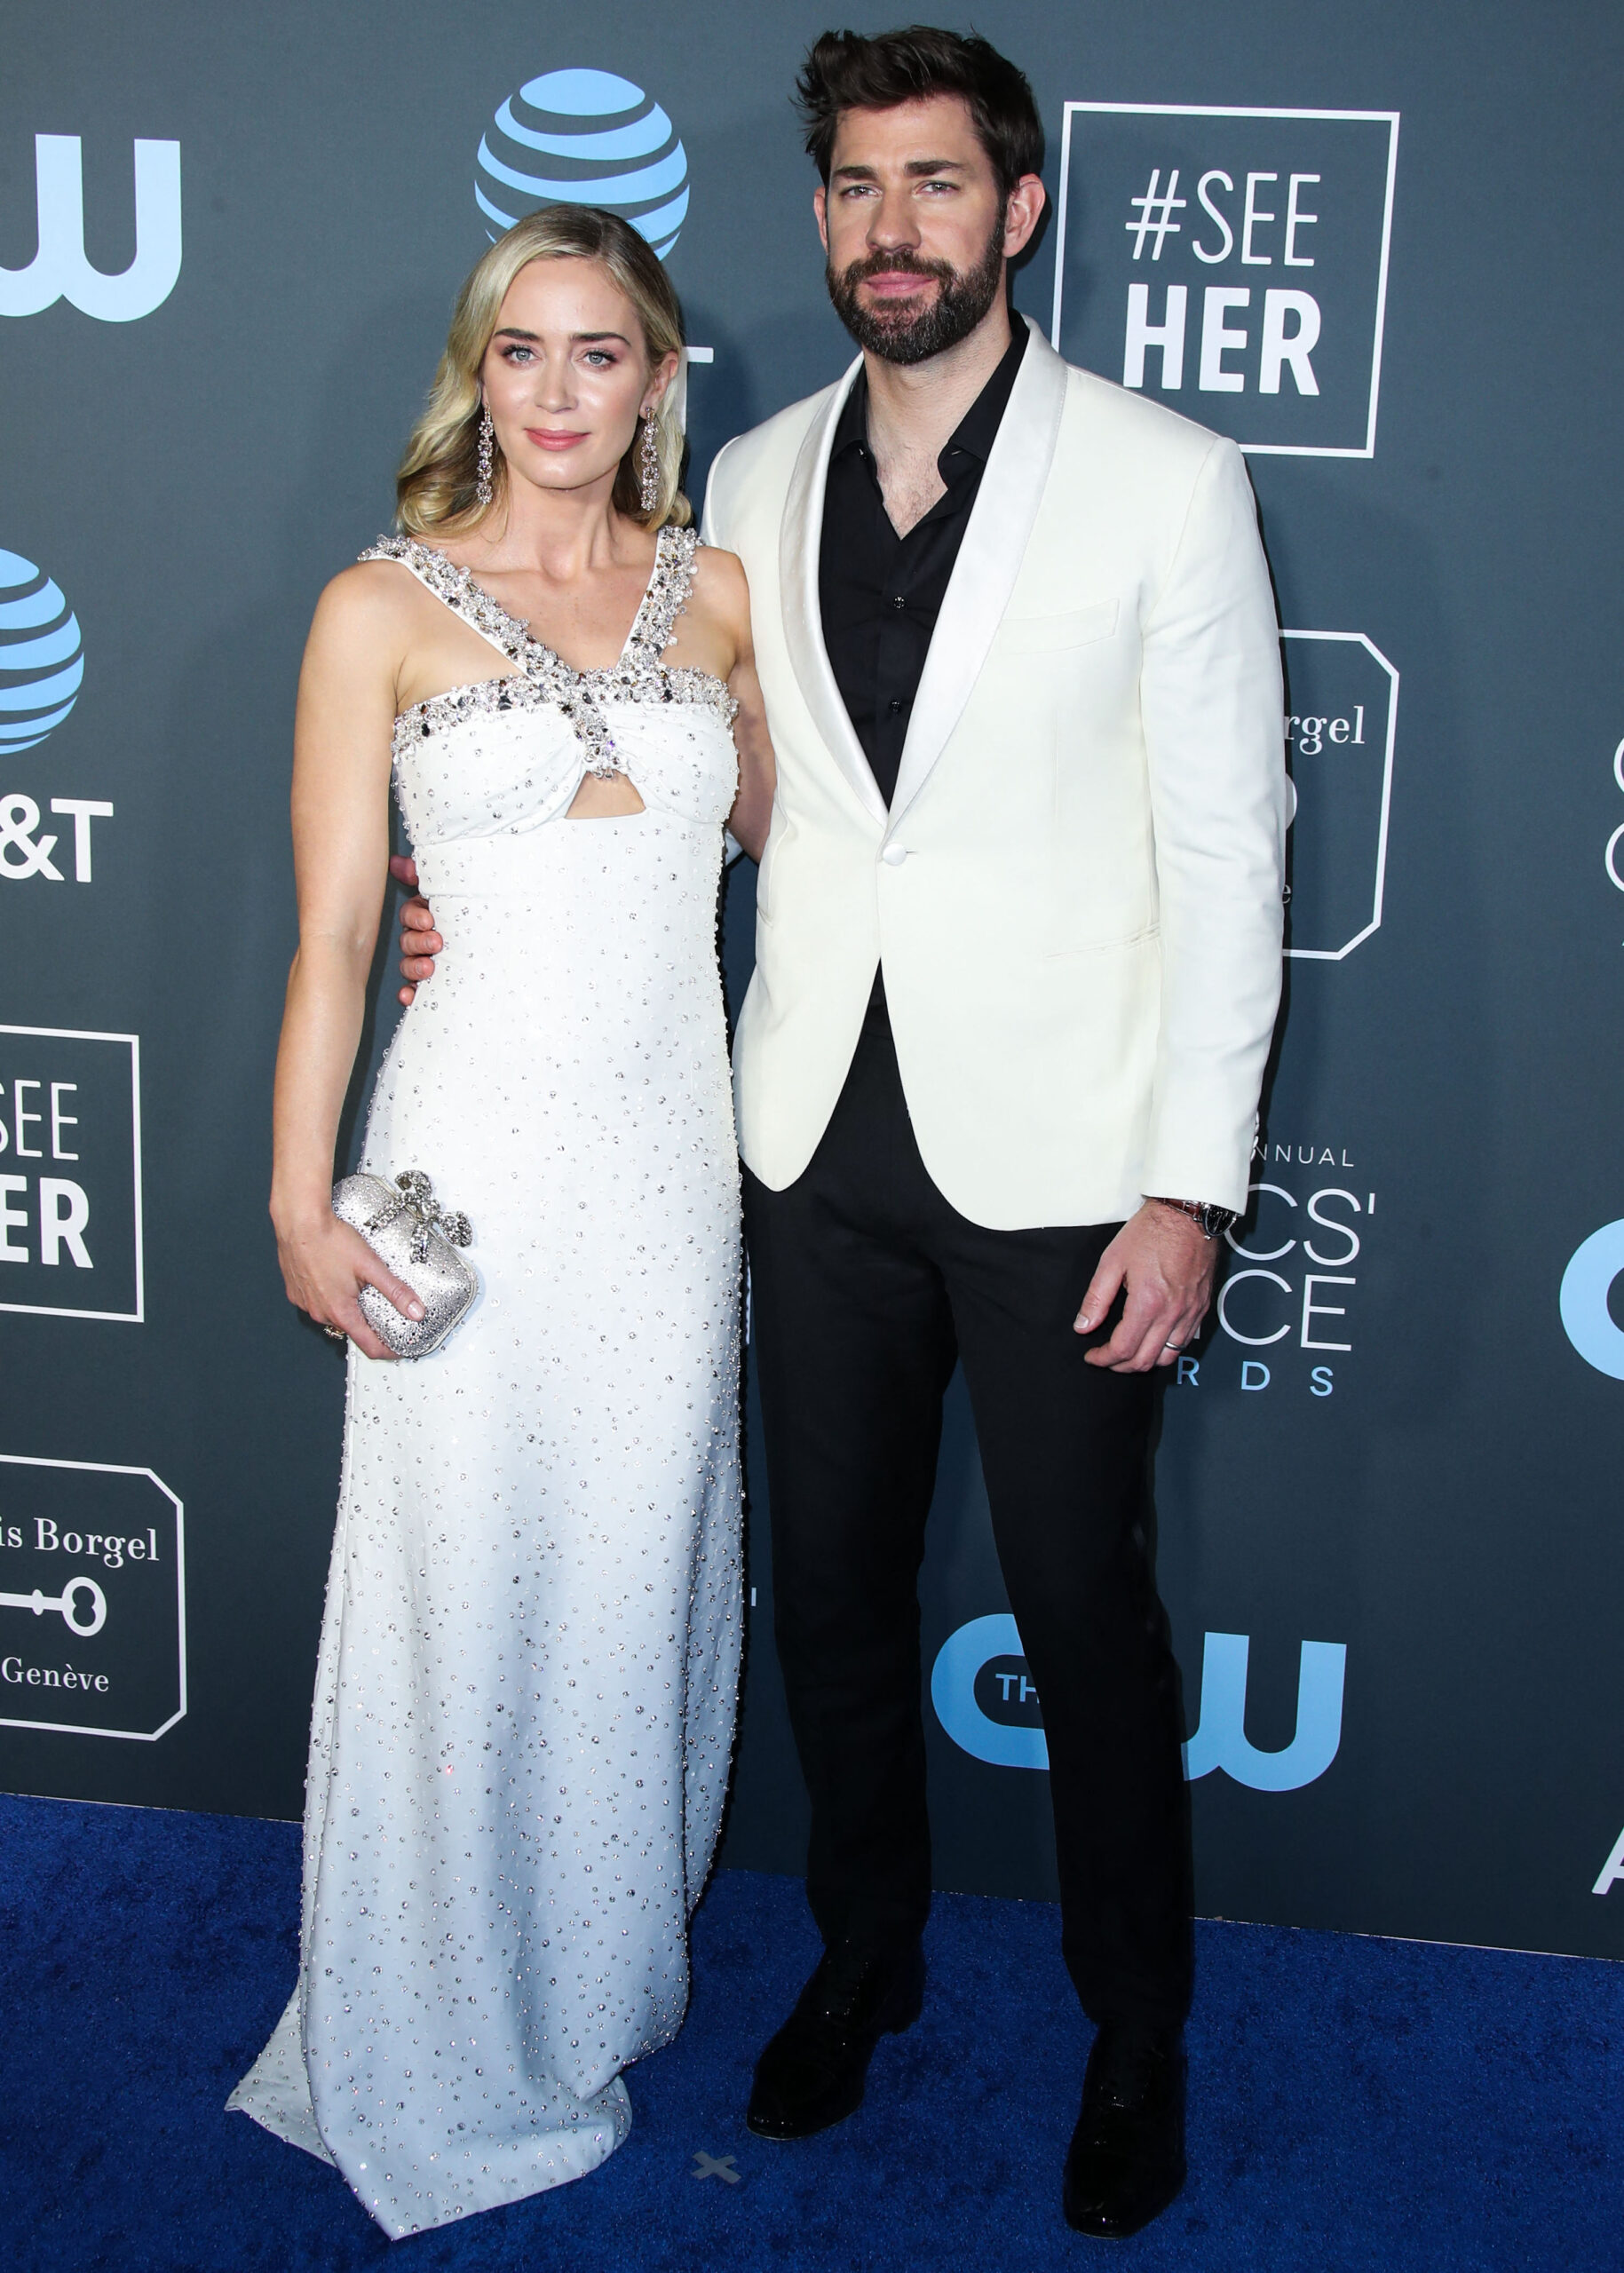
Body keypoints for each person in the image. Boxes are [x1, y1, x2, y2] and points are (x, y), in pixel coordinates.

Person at [400, 25, 1285, 2241]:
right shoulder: (753, 487)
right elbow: (675, 780)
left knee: (1087, 1612)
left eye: (939, 186)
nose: (897, 229)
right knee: (835, 1612)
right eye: (860, 191)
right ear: (822, 223)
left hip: (1073, 1163)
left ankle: (1132, 2035)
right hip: (795, 1144)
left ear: (1020, 211)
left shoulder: (1166, 482)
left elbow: (1234, 851)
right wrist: (473, 904)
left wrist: (1192, 1181)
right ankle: (862, 1963)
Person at [229, 206, 772, 2238]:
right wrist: (297, 1198)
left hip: (662, 1179)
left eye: (601, 354)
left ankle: (583, 1989)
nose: (561, 393)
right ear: (481, 367)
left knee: (634, 1577)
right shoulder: (378, 606)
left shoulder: (722, 595)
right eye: (524, 352)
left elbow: (817, 869)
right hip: (469, 1167)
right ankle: (436, 2013)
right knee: (464, 1584)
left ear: (658, 376)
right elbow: (341, 933)